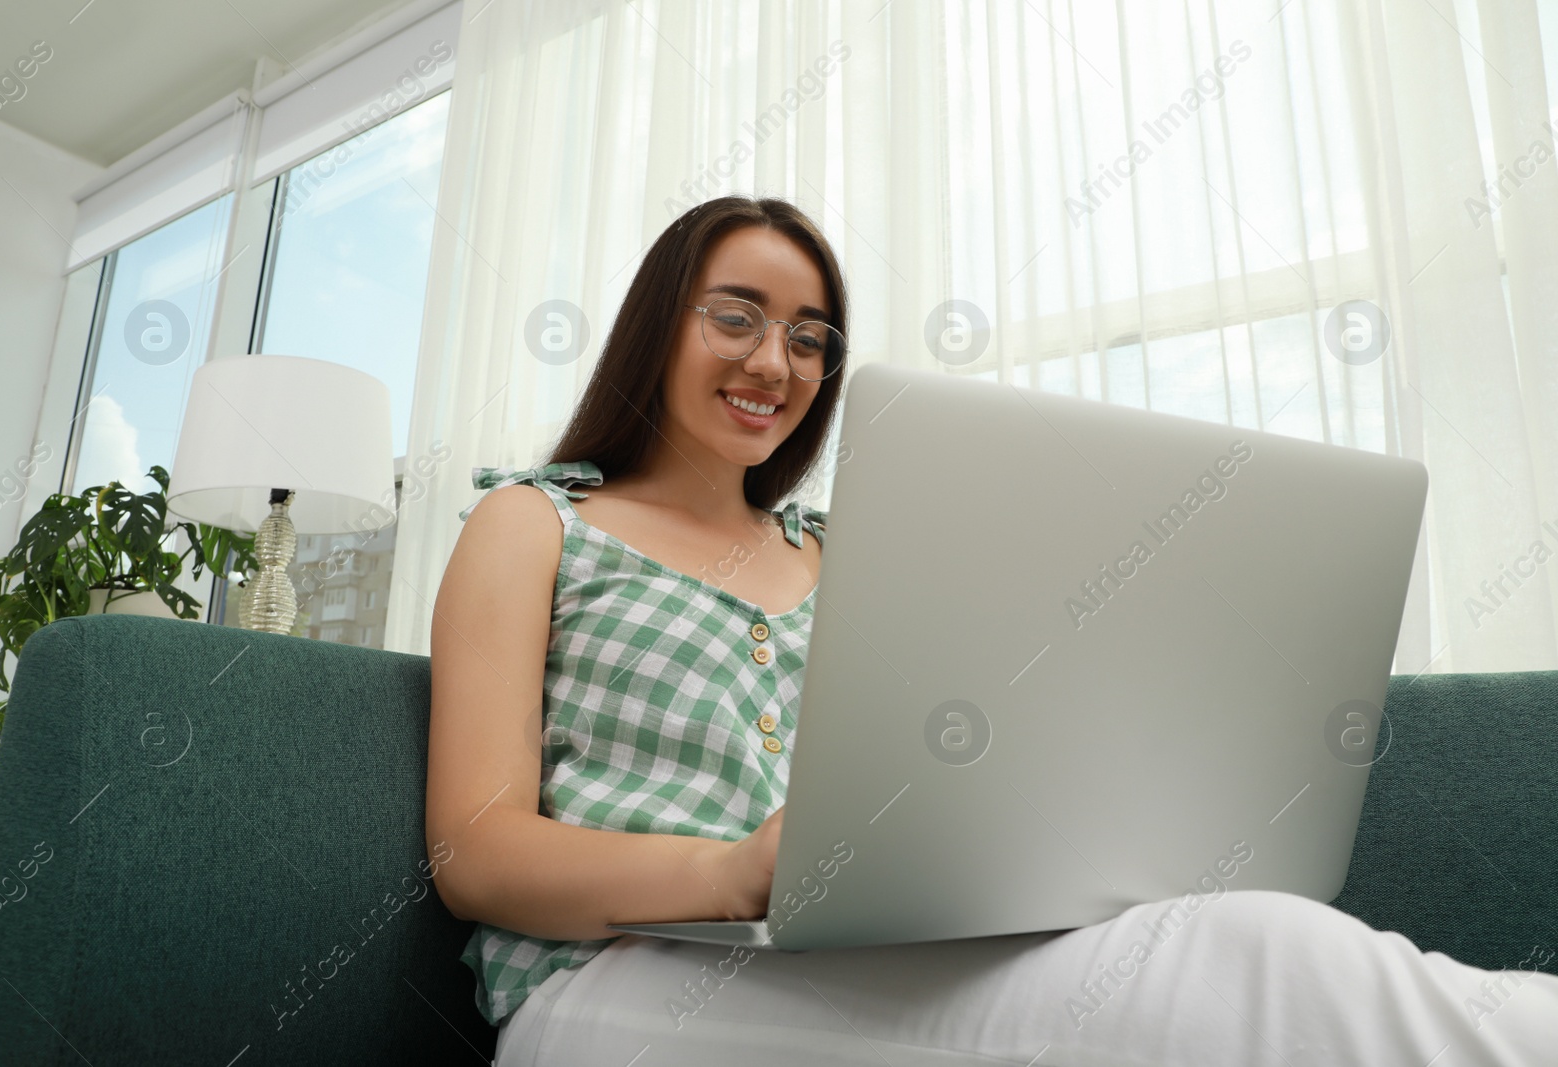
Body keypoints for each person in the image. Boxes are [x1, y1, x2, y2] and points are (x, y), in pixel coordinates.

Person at [424, 195, 1558, 1065]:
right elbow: (475, 851)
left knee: (1247, 929)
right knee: (1251, 961)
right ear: (653, 326)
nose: (777, 362)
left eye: (812, 337)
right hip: (604, 990)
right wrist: (729, 873)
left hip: (853, 961)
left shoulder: (849, 550)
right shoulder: (534, 521)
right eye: (737, 315)